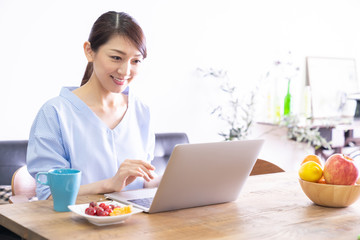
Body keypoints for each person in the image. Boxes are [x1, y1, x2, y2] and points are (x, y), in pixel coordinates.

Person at [26, 11, 157, 200]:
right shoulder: (54, 113)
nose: (125, 71)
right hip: (75, 226)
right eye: (116, 58)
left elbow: (144, 181)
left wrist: (173, 181)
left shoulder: (142, 111)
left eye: (135, 61)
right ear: (89, 51)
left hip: (135, 224)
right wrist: (110, 184)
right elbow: (49, 195)